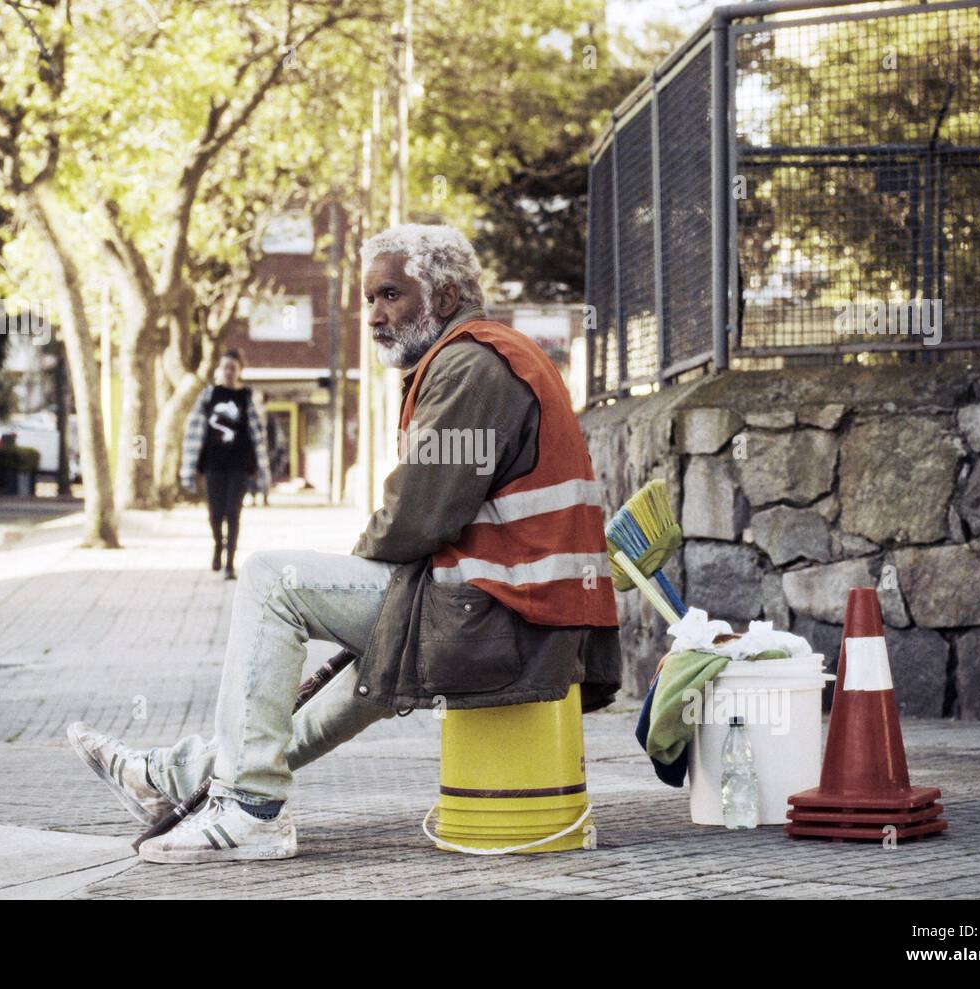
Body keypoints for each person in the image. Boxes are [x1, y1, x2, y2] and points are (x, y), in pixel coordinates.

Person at [69, 224, 621, 863]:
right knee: (377, 664)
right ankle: (187, 774)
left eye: (390, 295)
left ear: (442, 295)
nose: (375, 315)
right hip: (521, 610)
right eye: (369, 300)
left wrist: (348, 580)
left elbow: (416, 514)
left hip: (508, 613)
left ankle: (249, 805)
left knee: (273, 581)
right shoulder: (492, 354)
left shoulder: (471, 364)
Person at [179, 349, 270, 579]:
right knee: (215, 513)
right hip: (213, 464)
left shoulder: (248, 397)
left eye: (233, 367)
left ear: (240, 371)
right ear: (219, 370)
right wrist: (188, 469)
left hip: (239, 465)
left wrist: (262, 469)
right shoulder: (209, 396)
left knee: (233, 512)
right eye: (225, 367)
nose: (229, 372)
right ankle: (218, 544)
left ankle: (230, 562)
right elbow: (194, 431)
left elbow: (258, 435)